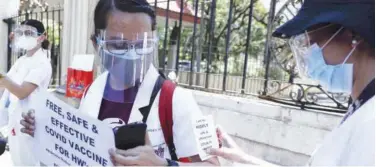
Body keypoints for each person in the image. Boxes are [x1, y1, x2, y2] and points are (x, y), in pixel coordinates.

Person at [20, 0, 219, 166]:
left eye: (142, 45)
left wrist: (164, 165)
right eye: (118, 45)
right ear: (96, 44)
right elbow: (82, 146)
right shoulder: (93, 91)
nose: (132, 55)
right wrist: (47, 128)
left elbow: (213, 164)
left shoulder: (176, 100)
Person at [208, 0, 375, 166]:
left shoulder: (371, 124)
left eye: (311, 44)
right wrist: (242, 160)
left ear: (353, 36)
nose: (309, 60)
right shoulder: (361, 107)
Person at [0, 19, 52, 165]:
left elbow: (22, 91)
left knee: (27, 161)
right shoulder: (22, 60)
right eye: (21, 33)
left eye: (29, 33)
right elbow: (4, 84)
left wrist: (2, 77)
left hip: (28, 123)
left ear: (42, 37)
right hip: (14, 118)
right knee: (16, 159)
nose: (24, 36)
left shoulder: (42, 63)